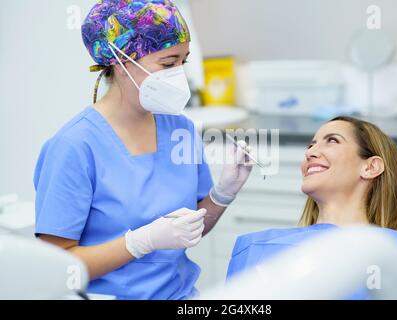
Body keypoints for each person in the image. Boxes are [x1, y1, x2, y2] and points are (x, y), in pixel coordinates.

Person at [34, 0, 252, 300]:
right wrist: (139, 242)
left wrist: (221, 196)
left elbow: (187, 232)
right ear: (122, 61)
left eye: (183, 62)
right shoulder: (74, 146)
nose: (179, 74)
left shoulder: (180, 129)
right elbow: (56, 267)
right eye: (167, 63)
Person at [227, 116, 397, 300]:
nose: (310, 153)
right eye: (310, 145)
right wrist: (219, 197)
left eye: (332, 141)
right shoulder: (255, 250)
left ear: (370, 167)